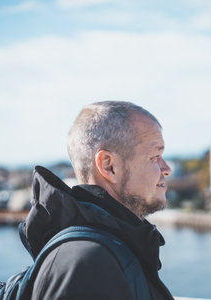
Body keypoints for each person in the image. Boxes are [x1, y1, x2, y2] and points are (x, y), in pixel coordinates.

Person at [21, 101, 174, 299]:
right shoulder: (86, 263)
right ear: (109, 166)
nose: (166, 169)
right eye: (155, 156)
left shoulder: (111, 248)